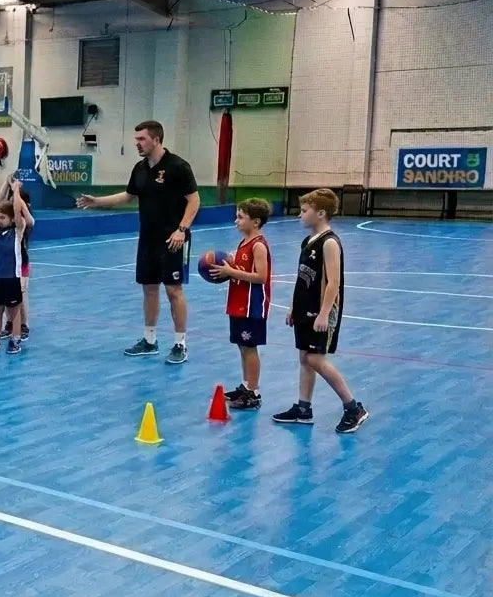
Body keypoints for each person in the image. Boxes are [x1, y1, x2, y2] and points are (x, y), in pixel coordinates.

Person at [76, 120, 200, 364]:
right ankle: (150, 340)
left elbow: (194, 201)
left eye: (141, 139)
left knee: (174, 290)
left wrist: (181, 229)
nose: (137, 143)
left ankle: (180, 343)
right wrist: (97, 201)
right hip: (148, 238)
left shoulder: (178, 167)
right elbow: (130, 195)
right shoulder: (140, 168)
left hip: (173, 239)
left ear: (156, 139)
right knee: (149, 289)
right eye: (136, 139)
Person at [273, 190, 368, 433]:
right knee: (304, 356)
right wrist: (294, 306)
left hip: (321, 311)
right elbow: (302, 278)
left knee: (314, 358)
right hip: (305, 309)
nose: (300, 215)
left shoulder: (330, 242)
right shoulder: (308, 241)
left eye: (304, 211)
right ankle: (303, 408)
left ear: (321, 213)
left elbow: (333, 282)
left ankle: (353, 407)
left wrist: (325, 313)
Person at [208, 199, 272, 410]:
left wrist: (231, 272)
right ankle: (246, 386)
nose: (236, 220)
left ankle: (254, 392)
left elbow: (261, 277)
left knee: (249, 347)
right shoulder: (244, 243)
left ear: (255, 221)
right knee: (242, 346)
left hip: (252, 305)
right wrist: (229, 267)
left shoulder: (259, 245)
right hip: (238, 302)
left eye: (240, 217)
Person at [0, 181, 33, 354]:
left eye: (2, 218)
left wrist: (16, 190)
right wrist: (5, 185)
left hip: (11, 277)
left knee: (14, 312)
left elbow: (16, 210)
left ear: (12, 219)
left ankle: (15, 339)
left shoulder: (17, 232)